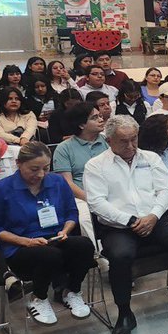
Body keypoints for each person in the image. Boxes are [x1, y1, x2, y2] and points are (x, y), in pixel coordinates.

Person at [84, 115, 168, 334]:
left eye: (134, 139)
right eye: (123, 141)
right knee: (121, 255)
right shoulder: (96, 165)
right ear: (109, 141)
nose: (131, 146)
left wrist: (153, 216)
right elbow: (97, 203)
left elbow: (165, 190)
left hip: (154, 220)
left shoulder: (150, 158)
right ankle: (124, 313)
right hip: (118, 228)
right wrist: (130, 220)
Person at [0, 142, 95, 325]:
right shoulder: (3, 188)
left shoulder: (57, 182)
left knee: (84, 245)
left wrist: (65, 230)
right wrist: (25, 241)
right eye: (34, 169)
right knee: (50, 255)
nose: (41, 174)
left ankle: (71, 291)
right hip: (20, 246)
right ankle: (38, 297)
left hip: (54, 238)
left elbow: (71, 212)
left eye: (46, 168)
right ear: (19, 164)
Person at [52, 103, 108, 245]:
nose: (101, 119)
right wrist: (91, 199)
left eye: (100, 116)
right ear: (81, 125)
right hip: (80, 196)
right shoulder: (64, 148)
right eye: (95, 117)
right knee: (85, 218)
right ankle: (97, 252)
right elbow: (67, 183)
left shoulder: (108, 141)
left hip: (110, 190)